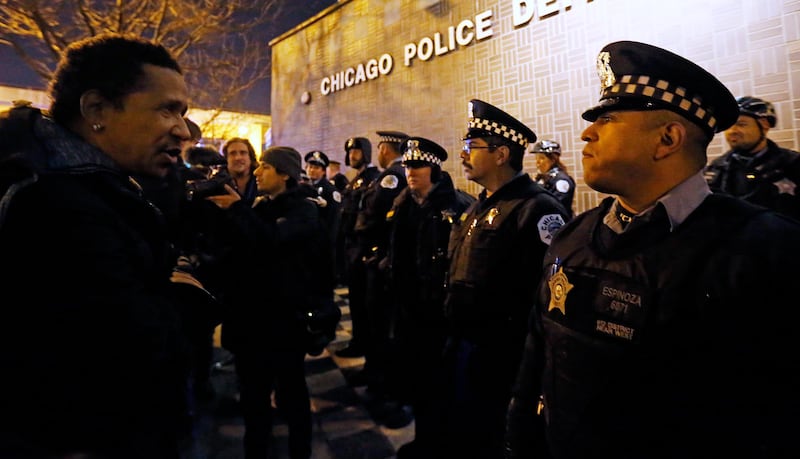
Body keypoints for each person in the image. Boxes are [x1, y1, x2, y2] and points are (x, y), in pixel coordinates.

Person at [505, 40, 800, 459]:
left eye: (607, 119)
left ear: (667, 138)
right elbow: (538, 359)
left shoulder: (769, 252)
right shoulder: (572, 239)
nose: (586, 132)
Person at [0, 34, 206, 458]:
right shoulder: (54, 207)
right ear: (96, 110)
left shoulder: (104, 189)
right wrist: (186, 294)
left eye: (183, 113)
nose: (183, 130)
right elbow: (137, 352)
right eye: (167, 109)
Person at [441, 99, 570, 458]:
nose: (463, 154)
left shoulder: (537, 208)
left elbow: (549, 297)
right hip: (465, 345)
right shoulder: (476, 206)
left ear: (501, 155)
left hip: (504, 357)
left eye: (472, 147)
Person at [206, 146, 334, 459]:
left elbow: (269, 241)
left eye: (265, 167)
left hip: (283, 324)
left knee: (291, 393)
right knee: (253, 398)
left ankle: (299, 451)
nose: (258, 172)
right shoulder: (261, 205)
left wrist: (237, 210)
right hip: (252, 323)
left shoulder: (303, 210)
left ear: (285, 175)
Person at [385, 136, 475, 458]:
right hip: (409, 311)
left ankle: (442, 445)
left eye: (418, 165)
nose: (411, 171)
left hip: (442, 316)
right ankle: (424, 440)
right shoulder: (403, 204)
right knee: (419, 383)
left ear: (434, 169)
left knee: (444, 387)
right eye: (407, 165)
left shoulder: (458, 206)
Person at [354, 130, 412, 426]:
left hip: (382, 261)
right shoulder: (393, 172)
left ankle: (384, 386)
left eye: (379, 147)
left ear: (386, 149)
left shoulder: (394, 174)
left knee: (382, 325)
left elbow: (374, 209)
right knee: (374, 321)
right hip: (377, 259)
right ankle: (375, 377)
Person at [704, 96, 800, 221]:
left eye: (741, 124)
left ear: (764, 125)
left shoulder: (793, 163)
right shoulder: (716, 168)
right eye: (729, 126)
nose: (732, 131)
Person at [335, 136, 380, 358]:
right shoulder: (356, 180)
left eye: (357, 151)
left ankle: (364, 345)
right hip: (350, 249)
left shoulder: (373, 179)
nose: (352, 155)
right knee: (355, 300)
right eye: (350, 151)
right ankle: (358, 341)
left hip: (362, 250)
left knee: (364, 305)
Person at [305, 150, 343, 282]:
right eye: (310, 166)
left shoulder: (330, 191)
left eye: (316, 167)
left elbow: (334, 221)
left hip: (323, 243)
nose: (312, 170)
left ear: (323, 171)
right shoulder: (305, 187)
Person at [532, 139, 576, 218]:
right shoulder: (542, 178)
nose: (537, 162)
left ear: (553, 160)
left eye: (541, 158)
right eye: (536, 158)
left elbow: (556, 206)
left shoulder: (562, 180)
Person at [219, 137, 260, 206]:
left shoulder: (263, 183)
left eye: (243, 153)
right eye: (232, 153)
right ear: (226, 159)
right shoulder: (218, 184)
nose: (238, 158)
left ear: (250, 157)